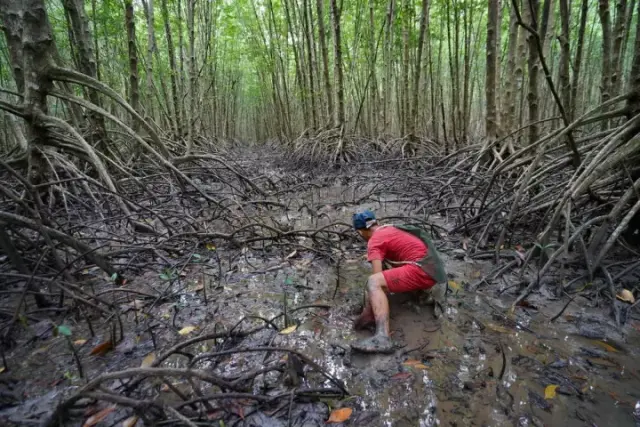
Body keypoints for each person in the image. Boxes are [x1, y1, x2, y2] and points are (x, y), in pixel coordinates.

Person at [351, 209, 443, 353]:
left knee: (373, 282)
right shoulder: (390, 228)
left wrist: (369, 311)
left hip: (421, 271)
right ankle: (421, 294)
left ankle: (382, 337)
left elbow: (376, 277)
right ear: (376, 222)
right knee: (392, 266)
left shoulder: (374, 241)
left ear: (360, 232)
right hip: (433, 270)